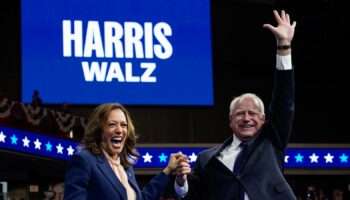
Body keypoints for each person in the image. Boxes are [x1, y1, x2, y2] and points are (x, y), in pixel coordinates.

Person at [175, 10, 297, 200]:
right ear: (231, 120)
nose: (246, 118)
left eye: (253, 113)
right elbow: (191, 196)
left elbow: (284, 99)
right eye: (240, 113)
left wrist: (284, 46)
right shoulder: (206, 159)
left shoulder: (271, 141)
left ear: (263, 119)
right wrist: (181, 182)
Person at [64, 103, 189, 200]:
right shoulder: (84, 160)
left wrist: (168, 170)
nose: (119, 130)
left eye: (123, 125)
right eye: (112, 124)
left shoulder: (125, 167)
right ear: (99, 130)